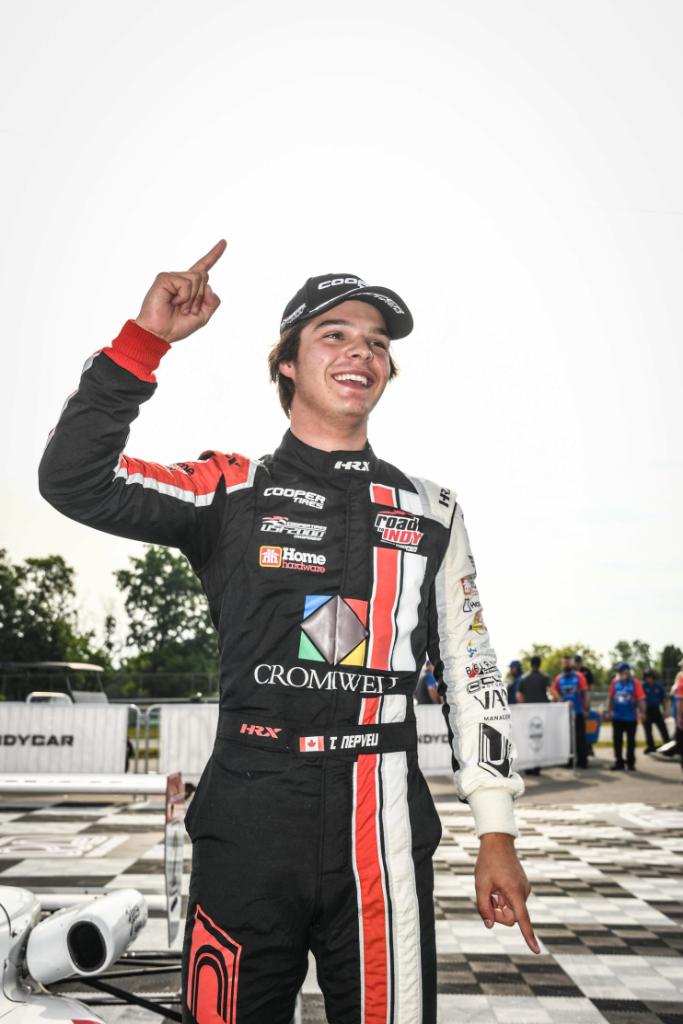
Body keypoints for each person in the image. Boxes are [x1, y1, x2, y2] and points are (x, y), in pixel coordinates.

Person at [38, 241, 539, 1024]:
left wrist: (496, 832)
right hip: (250, 818)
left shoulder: (432, 510)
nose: (360, 352)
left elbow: (473, 671)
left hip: (383, 822)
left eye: (376, 342)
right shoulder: (231, 488)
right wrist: (145, 341)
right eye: (334, 335)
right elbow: (73, 479)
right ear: (285, 364)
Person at [550, 656, 589, 768]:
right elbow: (553, 692)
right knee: (566, 738)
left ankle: (582, 761)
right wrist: (558, 702)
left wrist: (586, 708)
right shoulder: (559, 678)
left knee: (580, 737)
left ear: (571, 664)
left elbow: (585, 692)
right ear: (562, 664)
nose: (566, 665)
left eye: (568, 663)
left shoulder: (579, 676)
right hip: (564, 714)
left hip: (578, 712)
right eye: (564, 663)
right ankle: (568, 761)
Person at [607, 662, 646, 771]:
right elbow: (611, 697)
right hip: (617, 717)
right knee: (617, 741)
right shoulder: (615, 682)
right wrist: (609, 711)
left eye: (621, 672)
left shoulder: (635, 683)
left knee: (631, 742)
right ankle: (619, 762)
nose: (619, 674)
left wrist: (643, 712)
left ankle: (630, 763)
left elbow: (641, 699)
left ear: (627, 672)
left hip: (630, 718)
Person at [641, 669, 670, 752]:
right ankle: (651, 746)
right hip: (646, 710)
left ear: (653, 677)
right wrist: (641, 712)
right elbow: (640, 700)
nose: (648, 679)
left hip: (656, 710)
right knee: (648, 730)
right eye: (647, 677)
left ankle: (668, 744)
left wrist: (666, 711)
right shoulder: (643, 686)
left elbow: (664, 699)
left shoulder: (658, 686)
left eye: (650, 677)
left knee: (663, 727)